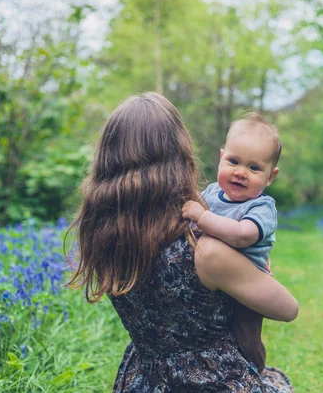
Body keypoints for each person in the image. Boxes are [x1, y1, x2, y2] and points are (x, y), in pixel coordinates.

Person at [65, 92, 298, 392]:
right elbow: (287, 309)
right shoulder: (205, 250)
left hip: (142, 381)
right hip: (214, 382)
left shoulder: (104, 238)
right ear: (179, 157)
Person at [181, 112, 281, 373]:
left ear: (271, 176)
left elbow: (240, 235)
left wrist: (202, 217)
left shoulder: (261, 207)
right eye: (233, 161)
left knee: (245, 339)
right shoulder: (212, 192)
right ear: (221, 157)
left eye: (254, 168)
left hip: (247, 284)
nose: (240, 173)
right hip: (214, 281)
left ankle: (257, 373)